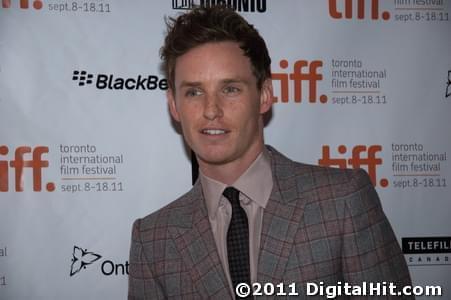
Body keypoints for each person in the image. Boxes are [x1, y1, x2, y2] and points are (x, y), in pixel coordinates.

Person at [128, 5, 412, 299]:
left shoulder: (342, 201)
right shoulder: (153, 240)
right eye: (194, 92)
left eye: (230, 89)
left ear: (264, 95)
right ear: (174, 106)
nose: (211, 110)